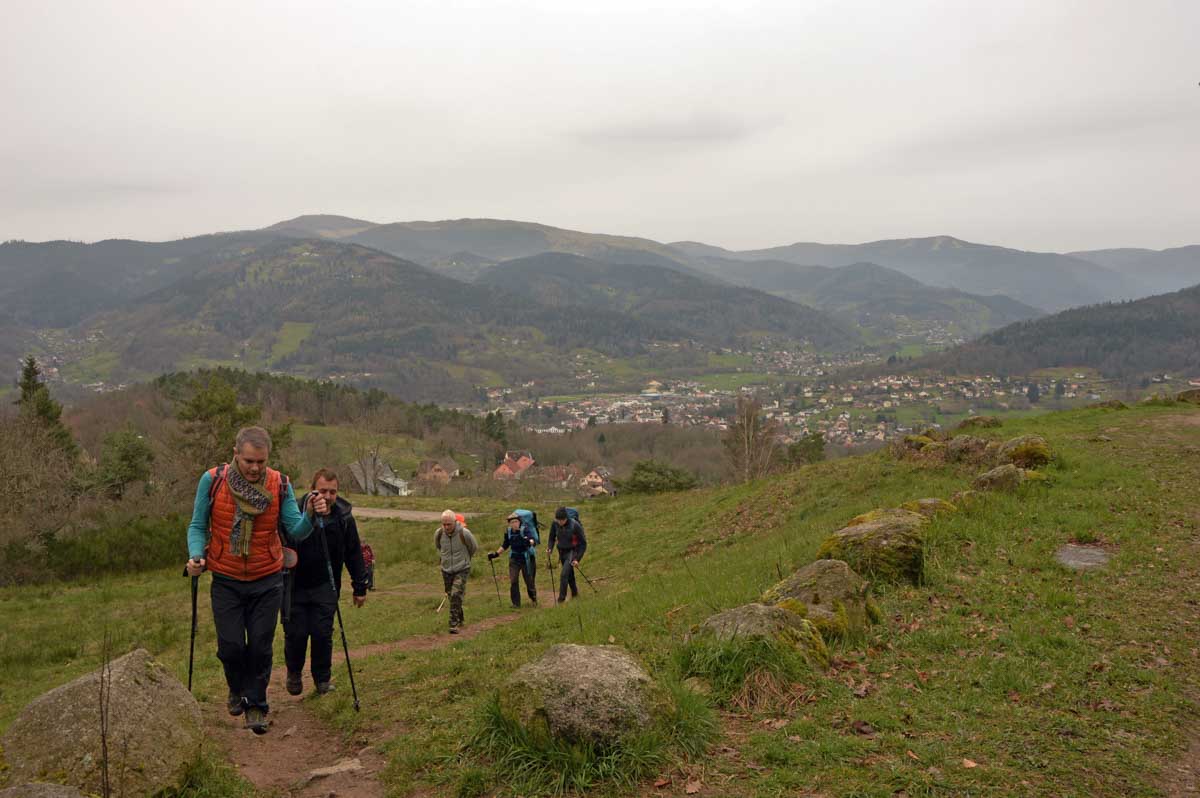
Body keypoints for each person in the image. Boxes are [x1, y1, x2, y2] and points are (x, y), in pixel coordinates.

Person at [184, 426, 321, 734]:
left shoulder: (280, 484)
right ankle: (236, 688)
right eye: (249, 461)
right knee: (230, 647)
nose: (255, 468)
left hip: (267, 579)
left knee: (260, 646)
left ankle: (256, 704)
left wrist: (311, 514)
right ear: (236, 454)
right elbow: (197, 525)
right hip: (226, 578)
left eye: (261, 461)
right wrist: (196, 555)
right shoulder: (212, 480)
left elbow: (296, 531)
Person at [283, 468, 368, 697]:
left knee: (322, 634)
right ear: (312, 489)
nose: (328, 496)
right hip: (295, 586)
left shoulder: (344, 517)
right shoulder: (295, 510)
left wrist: (360, 586)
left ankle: (322, 679)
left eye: (333, 491)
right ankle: (294, 673)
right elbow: (286, 540)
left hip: (326, 585)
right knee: (296, 634)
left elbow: (353, 553)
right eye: (323, 491)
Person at [435, 509, 477, 634]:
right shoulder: (439, 534)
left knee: (455, 594)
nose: (446, 527)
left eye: (449, 524)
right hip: (446, 569)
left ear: (455, 522)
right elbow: (439, 547)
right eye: (444, 524)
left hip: (462, 568)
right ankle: (460, 617)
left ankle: (453, 623)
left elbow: (473, 547)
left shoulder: (464, 533)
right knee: (451, 595)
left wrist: (464, 559)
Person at [490, 512, 537, 608]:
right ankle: (516, 604)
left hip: (526, 559)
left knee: (529, 581)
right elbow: (505, 545)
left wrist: (528, 541)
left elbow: (533, 540)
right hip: (514, 559)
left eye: (516, 521)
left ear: (519, 522)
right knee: (513, 580)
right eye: (512, 522)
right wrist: (496, 554)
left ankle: (533, 599)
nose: (515, 524)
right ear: (509, 524)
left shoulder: (525, 530)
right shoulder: (508, 532)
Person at [547, 507, 587, 604]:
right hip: (561, 552)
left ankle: (561, 600)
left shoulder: (575, 525)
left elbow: (583, 544)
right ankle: (575, 594)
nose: (560, 522)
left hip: (572, 552)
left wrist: (577, 559)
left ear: (566, 518)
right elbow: (551, 537)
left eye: (562, 520)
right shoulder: (555, 523)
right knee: (569, 574)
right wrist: (550, 548)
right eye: (558, 520)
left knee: (564, 574)